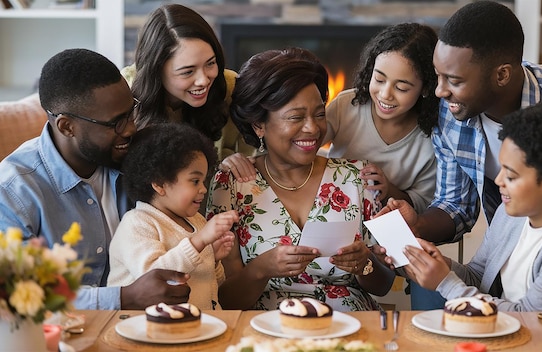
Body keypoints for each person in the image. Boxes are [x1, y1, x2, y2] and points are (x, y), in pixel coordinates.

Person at [375, 0, 542, 309]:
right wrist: (416, 232)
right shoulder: (512, 213)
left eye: (454, 81)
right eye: (438, 77)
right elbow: (456, 209)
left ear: (502, 75)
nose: (439, 92)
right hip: (516, 247)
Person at [207, 47, 395, 312]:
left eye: (319, 114)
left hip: (349, 326)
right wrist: (260, 270)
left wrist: (364, 264)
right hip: (267, 330)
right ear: (258, 125)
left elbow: (384, 285)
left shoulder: (358, 177)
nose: (312, 128)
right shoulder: (231, 183)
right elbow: (223, 300)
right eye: (296, 117)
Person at [0, 48, 190, 310]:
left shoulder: (138, 159)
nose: (131, 129)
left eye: (131, 112)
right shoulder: (14, 190)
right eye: (116, 123)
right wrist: (124, 298)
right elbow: (17, 291)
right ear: (67, 127)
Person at [399, 103, 542, 311]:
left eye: (511, 175)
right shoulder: (512, 214)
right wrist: (438, 264)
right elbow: (479, 277)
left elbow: (530, 319)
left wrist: (445, 282)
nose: (498, 180)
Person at [222, 23, 439, 212]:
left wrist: (388, 189)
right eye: (379, 79)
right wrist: (246, 159)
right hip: (332, 204)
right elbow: (293, 145)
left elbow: (423, 204)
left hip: (384, 215)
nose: (385, 94)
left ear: (426, 88)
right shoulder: (348, 105)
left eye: (401, 87)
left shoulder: (431, 138)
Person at [107, 123, 238, 310]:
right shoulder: (137, 223)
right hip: (146, 330)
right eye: (194, 181)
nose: (203, 189)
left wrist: (214, 259)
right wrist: (199, 242)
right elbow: (153, 277)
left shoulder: (197, 221)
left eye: (203, 181)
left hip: (197, 326)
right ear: (159, 184)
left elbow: (210, 285)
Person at [123, 3, 255, 160]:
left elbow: (252, 153)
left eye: (210, 63)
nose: (203, 80)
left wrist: (232, 166)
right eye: (187, 72)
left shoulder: (230, 87)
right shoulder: (124, 92)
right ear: (156, 71)